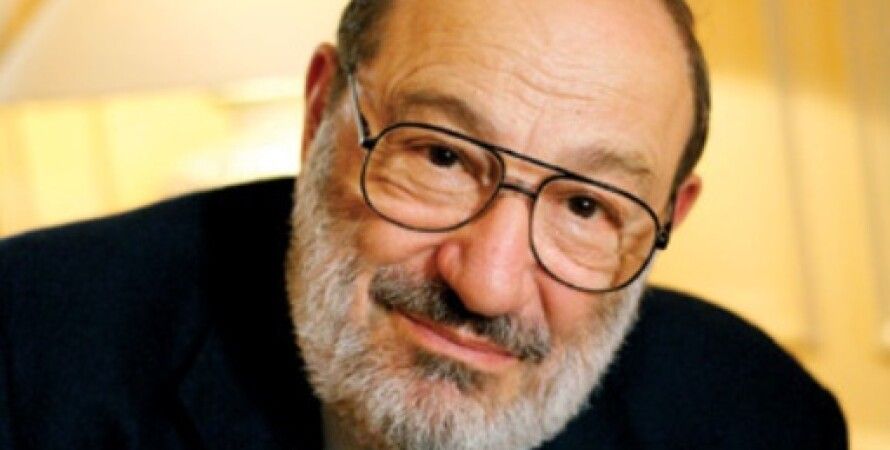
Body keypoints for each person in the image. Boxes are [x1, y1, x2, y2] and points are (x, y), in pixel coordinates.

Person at [0, 0, 847, 449]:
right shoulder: (26, 353)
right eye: (441, 156)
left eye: (586, 206)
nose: (487, 284)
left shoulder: (757, 416)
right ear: (321, 114)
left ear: (667, 220)